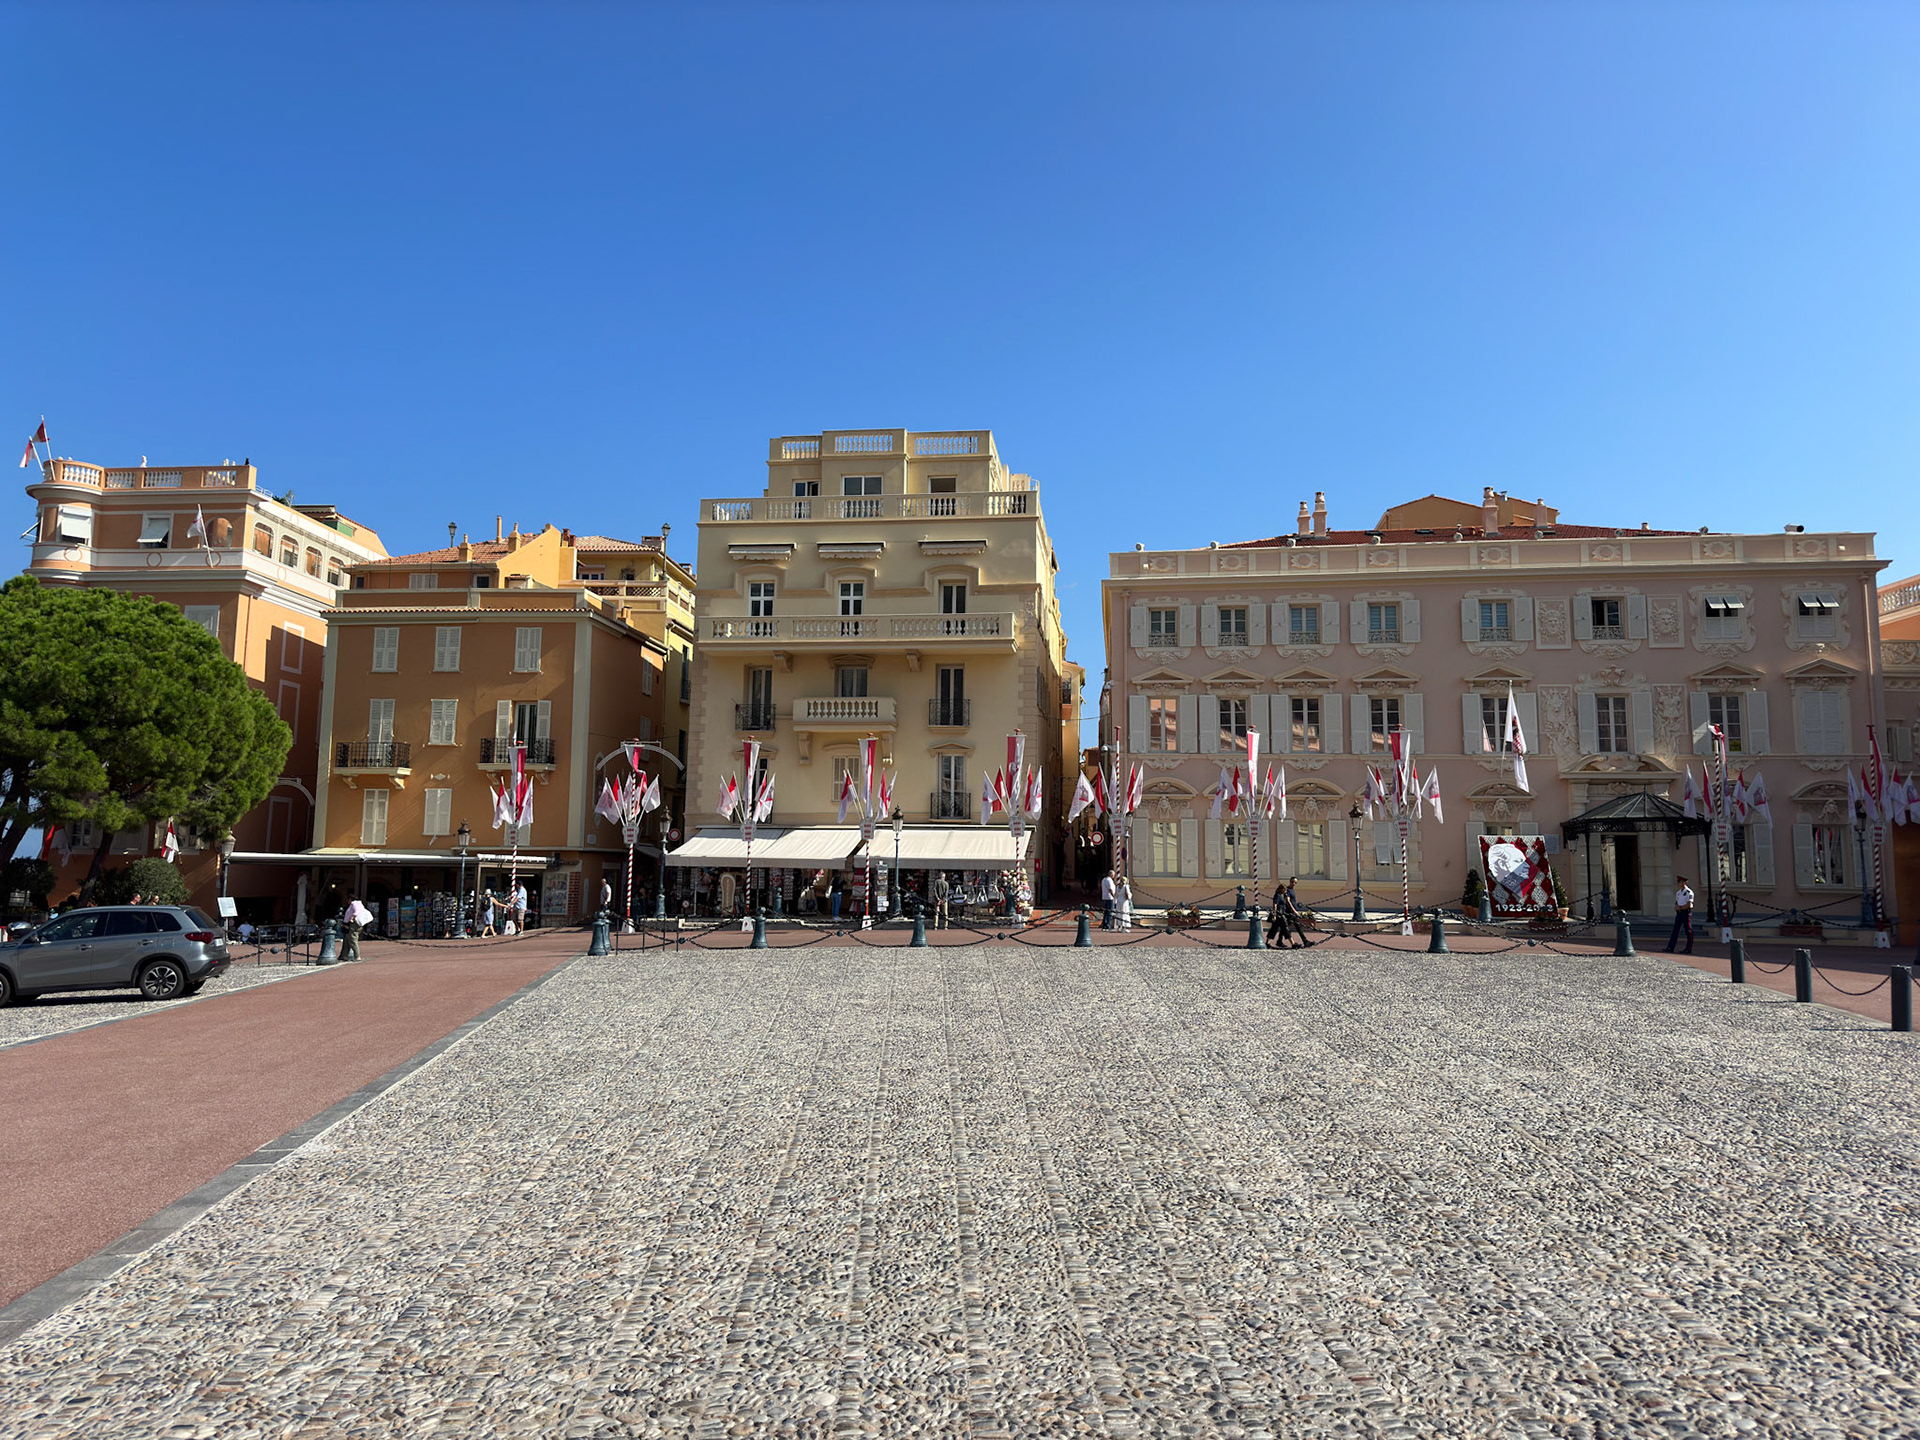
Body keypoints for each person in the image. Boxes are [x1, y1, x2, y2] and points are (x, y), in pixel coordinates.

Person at [1666, 875, 1695, 954]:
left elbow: (1689, 904)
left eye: (1679, 882)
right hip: (1679, 913)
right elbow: (1677, 902)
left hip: (1686, 913)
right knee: (1675, 930)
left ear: (1684, 883)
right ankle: (1670, 947)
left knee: (1688, 931)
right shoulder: (1678, 893)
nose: (1678, 883)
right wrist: (1676, 907)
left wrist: (1680, 908)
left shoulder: (1689, 892)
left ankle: (1688, 948)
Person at [342, 896, 373, 961]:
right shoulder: (359, 904)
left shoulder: (354, 903)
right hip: (352, 924)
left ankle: (357, 956)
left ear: (350, 899)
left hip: (353, 924)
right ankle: (344, 955)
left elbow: (357, 911)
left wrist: (352, 917)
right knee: (347, 939)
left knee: (352, 939)